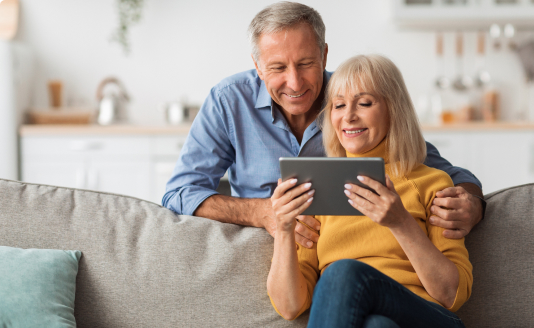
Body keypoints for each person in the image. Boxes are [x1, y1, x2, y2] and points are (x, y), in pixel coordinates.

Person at [162, 2, 485, 249]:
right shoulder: (228, 101)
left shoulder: (353, 100)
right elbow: (180, 192)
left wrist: (471, 204)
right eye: (277, 67)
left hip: (347, 256)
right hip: (268, 260)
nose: (294, 82)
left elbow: (448, 172)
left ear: (325, 55)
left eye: (306, 64)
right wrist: (263, 214)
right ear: (257, 66)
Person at [268, 54, 472, 328]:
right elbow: (289, 307)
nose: (348, 116)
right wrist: (284, 230)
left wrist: (400, 223)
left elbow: (451, 295)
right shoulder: (318, 189)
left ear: (394, 110)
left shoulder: (432, 183)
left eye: (364, 103)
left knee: (344, 273)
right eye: (338, 106)